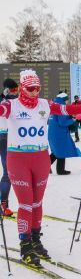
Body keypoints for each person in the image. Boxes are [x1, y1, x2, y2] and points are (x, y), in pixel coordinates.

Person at [0, 69, 81, 267]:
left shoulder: (44, 104)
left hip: (40, 158)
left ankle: (35, 239)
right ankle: (25, 245)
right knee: (26, 203)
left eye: (37, 88)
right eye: (30, 88)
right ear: (22, 87)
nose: (35, 91)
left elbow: (67, 110)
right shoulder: (11, 105)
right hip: (18, 158)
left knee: (37, 202)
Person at [48, 92, 79, 175]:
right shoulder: (61, 108)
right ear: (64, 100)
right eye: (67, 100)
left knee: (55, 152)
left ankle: (44, 167)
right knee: (61, 150)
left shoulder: (54, 106)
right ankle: (60, 170)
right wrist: (73, 119)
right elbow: (62, 122)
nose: (67, 102)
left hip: (53, 133)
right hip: (59, 134)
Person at [0, 78, 18, 216]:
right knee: (7, 173)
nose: (15, 92)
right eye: (13, 90)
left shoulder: (16, 101)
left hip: (10, 138)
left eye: (16, 90)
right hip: (4, 137)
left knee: (8, 173)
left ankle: (3, 204)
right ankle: (3, 204)